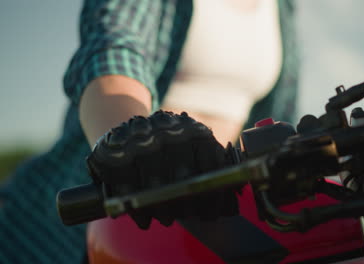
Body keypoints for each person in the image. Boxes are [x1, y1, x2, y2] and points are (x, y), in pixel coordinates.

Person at [0, 0, 299, 263]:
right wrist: (128, 145)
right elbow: (113, 49)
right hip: (103, 212)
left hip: (213, 214)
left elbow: (274, 120)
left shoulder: (283, 6)